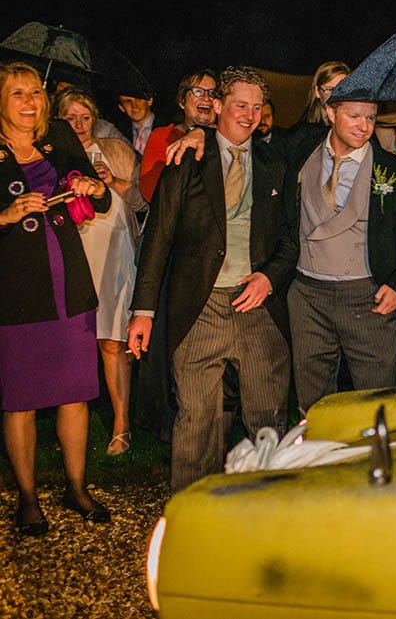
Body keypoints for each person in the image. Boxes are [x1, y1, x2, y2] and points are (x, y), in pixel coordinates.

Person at [127, 67, 296, 492]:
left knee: (267, 419)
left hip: (258, 308)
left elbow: (291, 243)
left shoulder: (276, 165)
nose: (250, 115)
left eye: (258, 107)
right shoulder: (187, 160)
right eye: (241, 105)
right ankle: (191, 511)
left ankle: (267, 506)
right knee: (197, 421)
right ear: (217, 106)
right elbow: (158, 238)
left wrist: (269, 279)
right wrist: (142, 312)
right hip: (199, 307)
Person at [0, 62, 112, 535]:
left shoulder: (61, 137)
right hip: (17, 293)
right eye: (18, 93)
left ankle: (76, 487)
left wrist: (92, 186)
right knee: (20, 400)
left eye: (36, 93)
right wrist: (5, 215)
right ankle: (27, 497)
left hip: (70, 288)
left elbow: (100, 199)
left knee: (74, 395)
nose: (30, 102)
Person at [286, 94, 396, 410]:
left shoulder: (395, 172)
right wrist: (197, 133)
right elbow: (245, 141)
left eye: (370, 118)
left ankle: (373, 457)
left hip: (367, 298)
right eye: (354, 116)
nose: (364, 126)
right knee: (313, 403)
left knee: (377, 401)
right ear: (330, 112)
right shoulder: (300, 148)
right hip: (307, 297)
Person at [55, 88, 147, 455]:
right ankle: (70, 422)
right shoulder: (54, 157)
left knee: (112, 340)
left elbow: (142, 198)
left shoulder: (117, 150)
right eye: (70, 117)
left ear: (96, 119)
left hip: (114, 248)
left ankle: (121, 424)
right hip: (74, 250)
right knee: (73, 340)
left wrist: (114, 182)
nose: (79, 124)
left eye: (85, 117)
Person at [139, 68, 218, 201]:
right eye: (198, 92)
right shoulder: (164, 136)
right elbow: (150, 191)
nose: (206, 98)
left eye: (213, 93)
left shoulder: (225, 137)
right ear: (182, 102)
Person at [114, 84, 168, 155]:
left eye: (138, 99)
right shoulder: (118, 134)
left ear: (149, 100)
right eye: (128, 101)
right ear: (121, 107)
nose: (134, 106)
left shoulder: (168, 128)